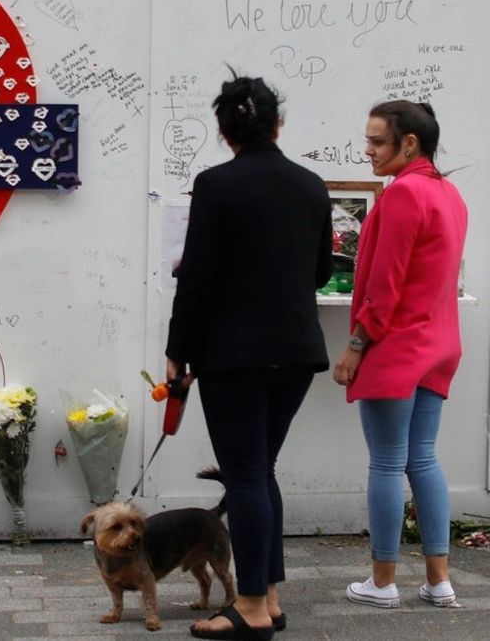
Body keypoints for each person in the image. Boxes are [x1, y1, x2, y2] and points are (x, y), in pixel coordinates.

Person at [166, 71, 332, 640]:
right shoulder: (312, 185)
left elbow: (197, 280)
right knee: (259, 471)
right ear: (277, 124)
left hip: (233, 354)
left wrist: (177, 352)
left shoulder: (215, 185)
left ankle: (253, 608)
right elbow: (321, 272)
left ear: (223, 130)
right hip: (295, 350)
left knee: (245, 475)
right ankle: (271, 598)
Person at [334, 100, 468, 609]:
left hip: (397, 347)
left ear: (408, 143)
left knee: (388, 463)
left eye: (376, 141)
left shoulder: (403, 194)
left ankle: (383, 583)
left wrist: (354, 346)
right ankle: (439, 581)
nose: (366, 150)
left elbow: (384, 286)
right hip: (438, 344)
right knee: (424, 459)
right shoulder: (449, 194)